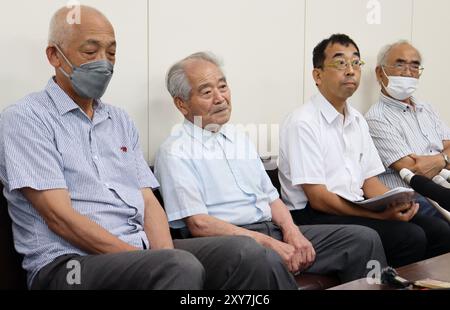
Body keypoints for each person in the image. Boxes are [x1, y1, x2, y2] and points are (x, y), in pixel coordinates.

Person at [0, 5, 294, 290]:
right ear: (54, 55)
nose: (104, 62)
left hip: (139, 250)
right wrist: (154, 260)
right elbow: (59, 218)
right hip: (68, 266)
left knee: (247, 253)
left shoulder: (119, 120)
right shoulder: (26, 118)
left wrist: (164, 254)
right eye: (91, 52)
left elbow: (148, 200)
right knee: (177, 267)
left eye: (111, 53)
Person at [154, 51, 387, 284]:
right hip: (231, 243)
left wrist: (292, 232)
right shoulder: (175, 150)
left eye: (223, 87)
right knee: (261, 256)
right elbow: (199, 224)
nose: (220, 98)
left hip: (270, 230)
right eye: (206, 92)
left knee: (362, 239)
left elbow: (272, 199)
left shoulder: (239, 138)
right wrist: (268, 243)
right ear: (181, 104)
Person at [279, 33, 450, 268]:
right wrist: (378, 216)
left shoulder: (357, 120)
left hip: (355, 204)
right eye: (340, 63)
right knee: (409, 237)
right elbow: (318, 198)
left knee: (438, 229)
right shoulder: (302, 122)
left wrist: (396, 203)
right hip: (313, 215)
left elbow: (369, 181)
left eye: (356, 63)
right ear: (317, 75)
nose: (350, 70)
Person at [365, 40, 450, 218]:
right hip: (415, 198)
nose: (408, 72)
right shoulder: (376, 118)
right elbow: (415, 170)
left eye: (414, 66)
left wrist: (440, 159)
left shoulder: (427, 109)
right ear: (380, 73)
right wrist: (444, 157)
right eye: (400, 64)